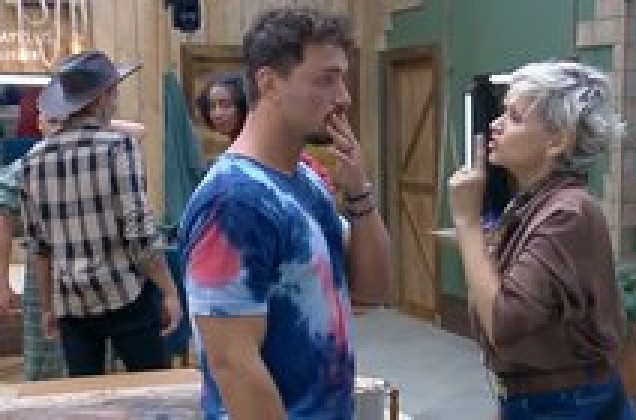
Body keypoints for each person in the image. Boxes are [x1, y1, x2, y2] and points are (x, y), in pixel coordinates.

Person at [181, 7, 390, 419]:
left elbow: (372, 292)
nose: (344, 97)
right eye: (326, 79)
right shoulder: (234, 199)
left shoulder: (305, 180)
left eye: (342, 79)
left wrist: (360, 193)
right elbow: (233, 364)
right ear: (269, 83)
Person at [448, 61, 636, 419]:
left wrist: (467, 223)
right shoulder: (535, 202)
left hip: (565, 403)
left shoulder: (568, 213)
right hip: (543, 398)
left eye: (514, 117)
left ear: (558, 140)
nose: (495, 124)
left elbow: (503, 323)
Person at [16, 50, 182, 378]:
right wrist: (170, 291)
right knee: (150, 392)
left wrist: (48, 306)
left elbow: (39, 246)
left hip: (71, 303)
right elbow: (140, 234)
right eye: (114, 91)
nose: (116, 98)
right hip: (126, 294)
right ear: (102, 96)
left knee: (87, 396)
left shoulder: (31, 161)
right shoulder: (119, 147)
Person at [196, 71, 336, 192]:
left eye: (225, 105)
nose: (217, 113)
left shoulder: (262, 149)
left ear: (242, 105)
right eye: (212, 106)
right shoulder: (236, 152)